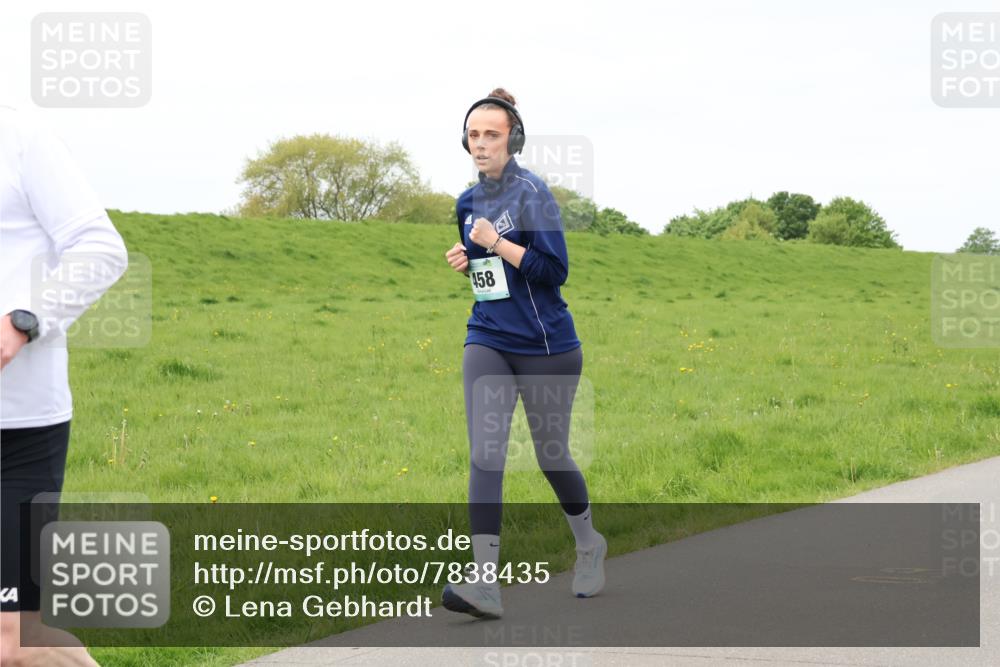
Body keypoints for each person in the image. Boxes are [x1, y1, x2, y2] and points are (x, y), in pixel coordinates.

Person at [441, 88, 607, 619]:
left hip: (546, 346)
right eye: (473, 135)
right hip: (488, 336)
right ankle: (484, 583)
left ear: (513, 139)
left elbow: (554, 272)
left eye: (492, 134)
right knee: (485, 453)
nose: (481, 144)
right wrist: (471, 261)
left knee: (551, 455)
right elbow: (493, 279)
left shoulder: (534, 194)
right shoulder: (467, 202)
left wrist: (498, 244)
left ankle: (588, 544)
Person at [1, 106, 128, 666]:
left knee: (14, 640)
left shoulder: (20, 139)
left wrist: (22, 320)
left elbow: (101, 249)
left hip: (18, 432)